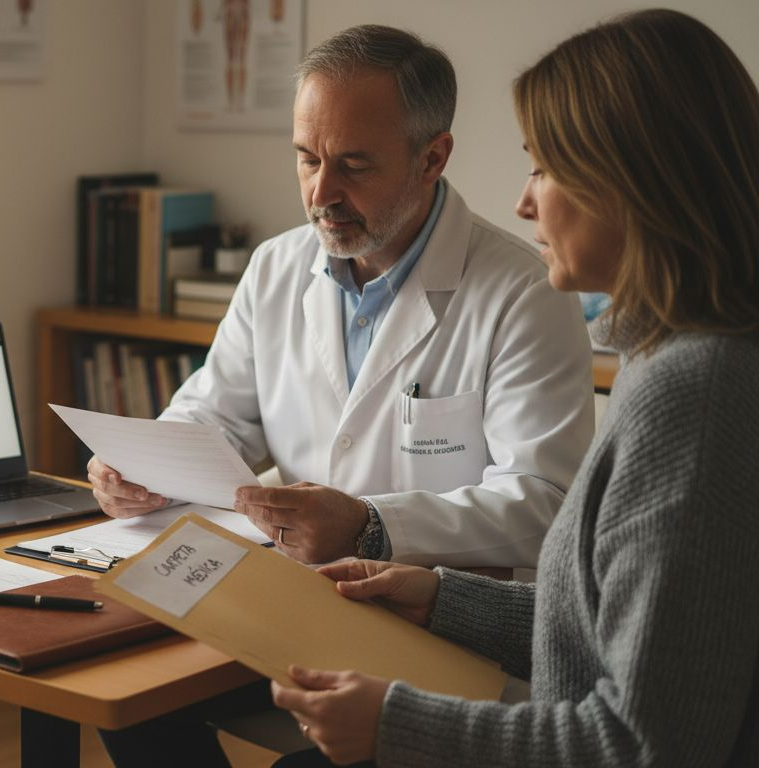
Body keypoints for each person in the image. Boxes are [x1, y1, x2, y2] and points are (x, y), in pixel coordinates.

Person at [95, 24, 594, 767]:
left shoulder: (523, 294)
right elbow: (216, 413)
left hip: (436, 631)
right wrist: (148, 466)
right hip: (284, 604)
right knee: (117, 691)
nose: (320, 193)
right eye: (306, 158)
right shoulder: (276, 268)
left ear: (433, 158)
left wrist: (369, 526)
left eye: (353, 165)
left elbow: (544, 504)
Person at [272, 9, 759, 766]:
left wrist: (395, 726)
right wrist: (439, 597)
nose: (524, 202)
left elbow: (646, 746)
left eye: (543, 168)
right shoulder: (661, 359)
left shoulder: (695, 398)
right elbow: (607, 625)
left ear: (636, 185)